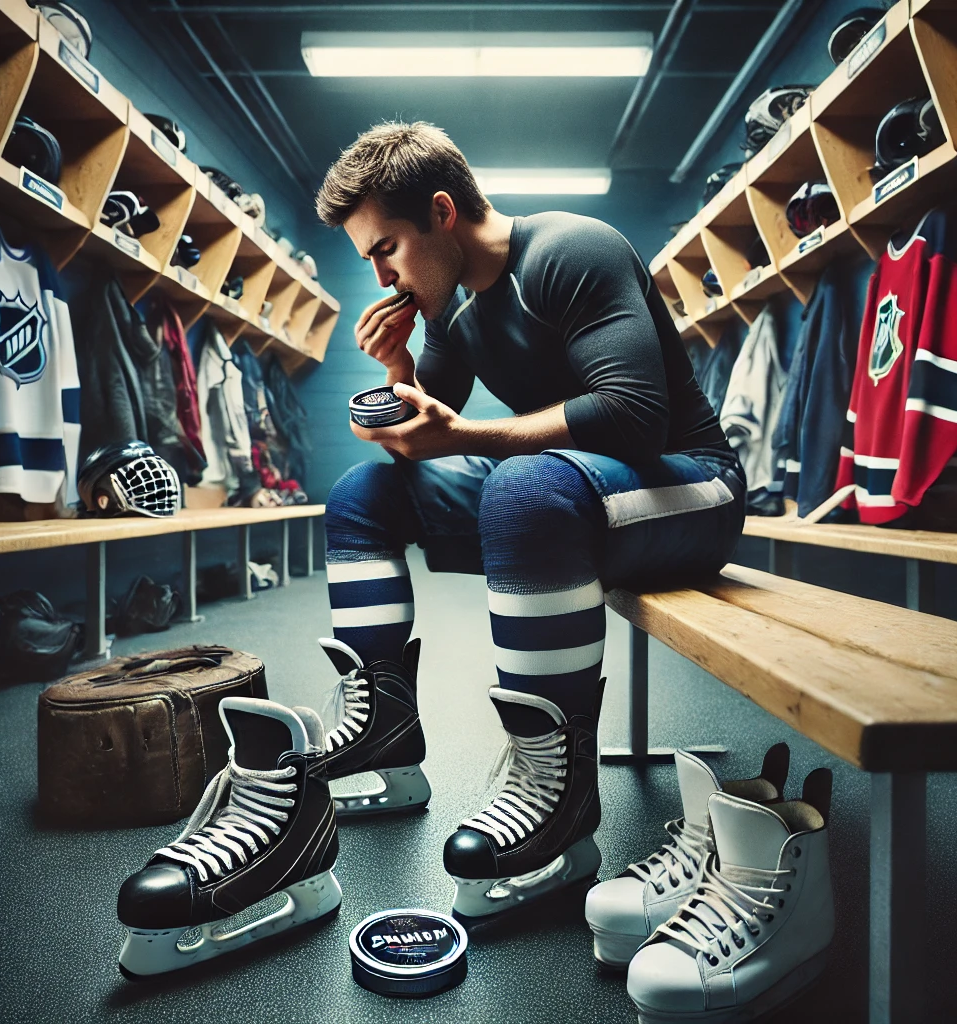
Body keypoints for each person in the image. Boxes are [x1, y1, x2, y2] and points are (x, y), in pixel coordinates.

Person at [312, 120, 746, 923]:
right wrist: (397, 372)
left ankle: (559, 790)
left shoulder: (571, 251)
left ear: (443, 211)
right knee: (360, 497)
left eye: (385, 248)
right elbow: (422, 442)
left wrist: (464, 436)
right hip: (581, 492)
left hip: (696, 490)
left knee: (521, 486)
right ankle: (385, 729)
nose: (379, 273)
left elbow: (636, 417)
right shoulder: (453, 311)